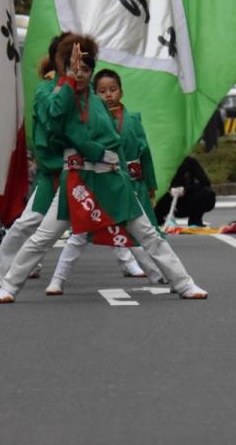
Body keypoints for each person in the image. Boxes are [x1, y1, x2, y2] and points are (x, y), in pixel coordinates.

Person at [0, 35, 206, 302]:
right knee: (43, 237)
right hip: (76, 180)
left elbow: (113, 142)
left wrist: (123, 173)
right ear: (62, 66)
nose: (79, 74)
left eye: (85, 69)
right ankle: (9, 286)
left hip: (111, 179)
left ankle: (185, 284)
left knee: (148, 234)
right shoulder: (51, 92)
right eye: (73, 67)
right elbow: (55, 122)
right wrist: (69, 84)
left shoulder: (96, 100)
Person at [46, 69, 165, 295]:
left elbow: (145, 153)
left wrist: (150, 183)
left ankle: (158, 274)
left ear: (121, 91)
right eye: (102, 91)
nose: (108, 95)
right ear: (94, 93)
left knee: (143, 233)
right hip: (96, 181)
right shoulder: (90, 118)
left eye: (112, 90)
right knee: (80, 233)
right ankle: (58, 278)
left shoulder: (133, 120)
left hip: (128, 183)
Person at [0, 33, 67, 288]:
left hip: (87, 172)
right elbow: (48, 131)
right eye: (66, 56)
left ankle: (156, 270)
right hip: (56, 172)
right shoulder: (46, 92)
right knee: (28, 222)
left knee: (123, 219)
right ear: (56, 60)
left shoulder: (90, 93)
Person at [154, 155, 216, 228]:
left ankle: (195, 221)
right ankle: (160, 221)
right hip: (166, 200)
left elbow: (205, 182)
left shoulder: (189, 161)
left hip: (186, 200)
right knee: (152, 195)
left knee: (208, 193)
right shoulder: (160, 161)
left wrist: (185, 189)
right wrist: (168, 189)